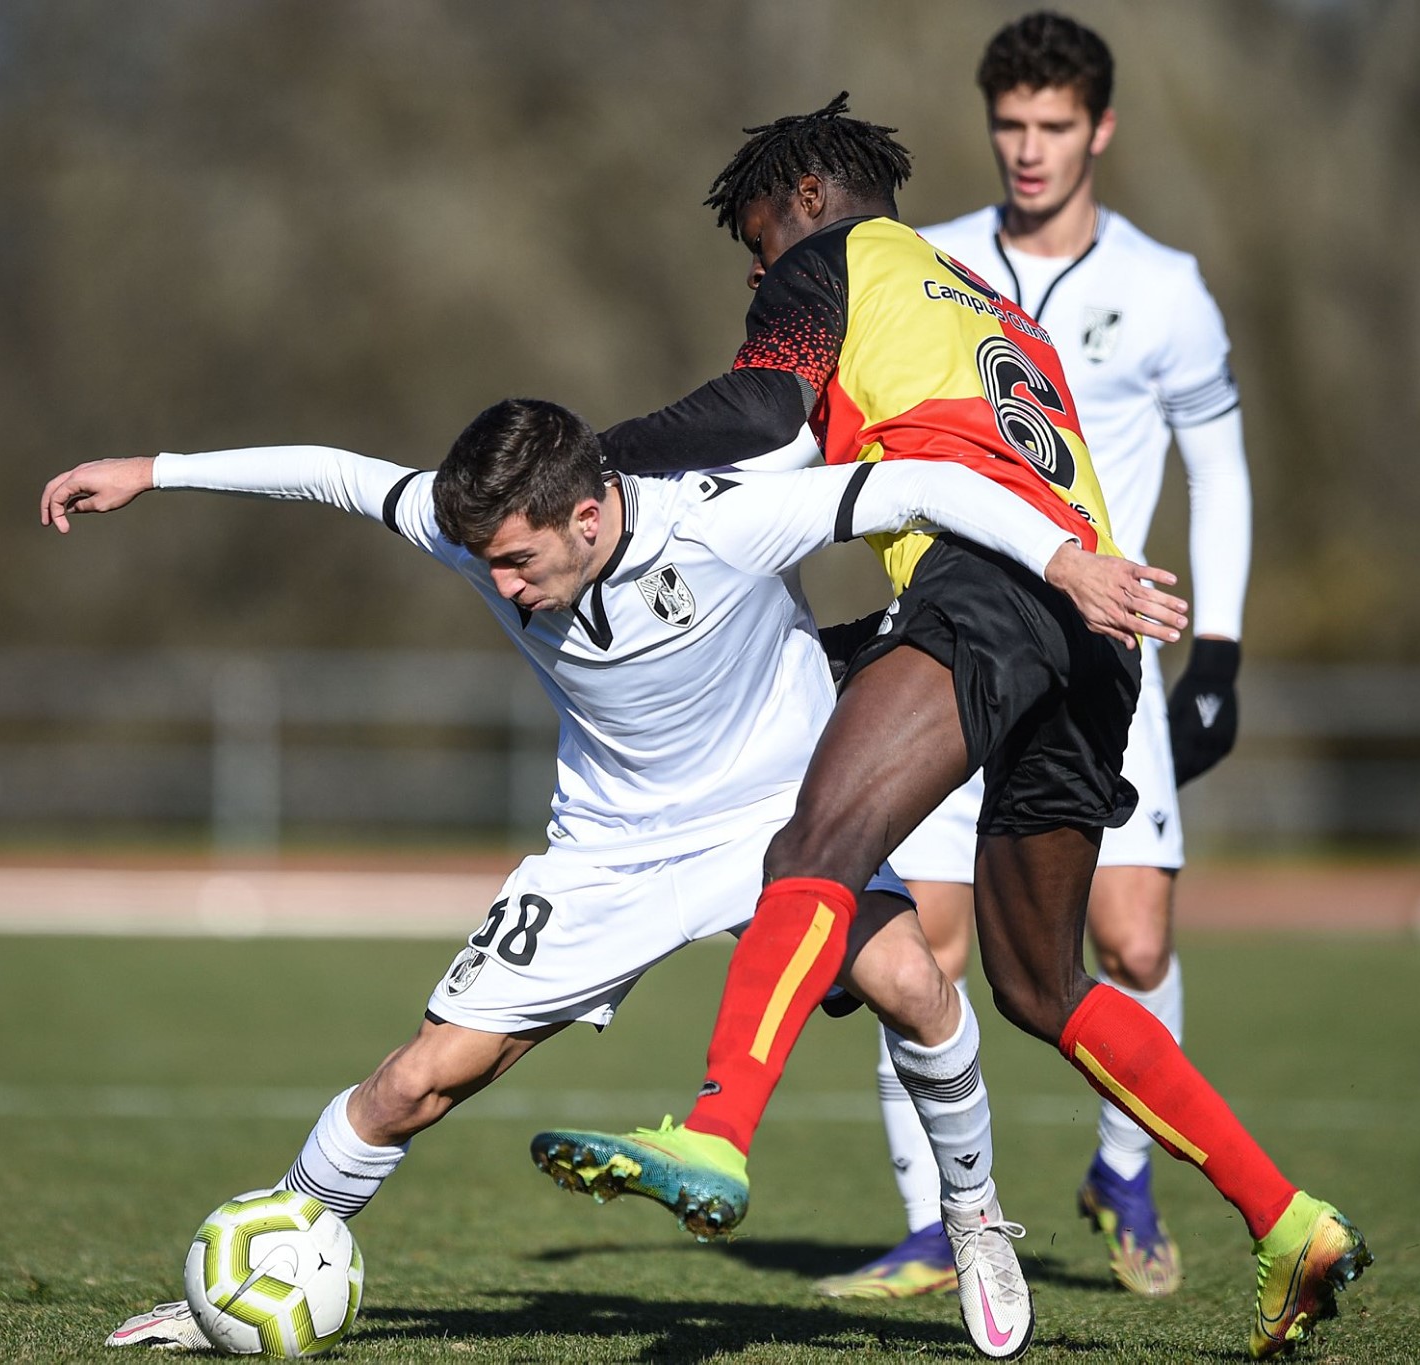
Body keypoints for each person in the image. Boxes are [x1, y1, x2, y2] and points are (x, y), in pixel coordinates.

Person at [39, 398, 1181, 1356]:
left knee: (919, 990)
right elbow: (337, 476)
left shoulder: (726, 521)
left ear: (587, 514)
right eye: (483, 558)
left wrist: (1062, 559)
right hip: (605, 848)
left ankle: (973, 1220)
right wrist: (154, 470)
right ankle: (259, 1268)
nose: (497, 583)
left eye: (517, 560)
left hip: (781, 823)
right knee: (412, 1083)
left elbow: (917, 483)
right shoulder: (480, 531)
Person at [527, 96, 1367, 1360]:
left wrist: (588, 462)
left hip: (999, 594)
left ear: (805, 194)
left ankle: (714, 1128)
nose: (757, 274)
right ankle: (1284, 1215)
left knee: (814, 843)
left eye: (754, 240)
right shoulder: (973, 289)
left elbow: (760, 415)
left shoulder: (830, 260)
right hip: (1091, 636)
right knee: (1041, 982)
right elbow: (829, 465)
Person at [816, 11, 1256, 1303]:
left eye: (1054, 125)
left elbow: (1218, 469)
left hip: (1103, 654)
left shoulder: (1166, 287)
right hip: (958, 645)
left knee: (1129, 936)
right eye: (1009, 124)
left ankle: (1125, 1168)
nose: (1028, 148)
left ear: (1099, 130)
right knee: (928, 944)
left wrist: (1219, 648)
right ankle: (937, 1223)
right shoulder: (931, 265)